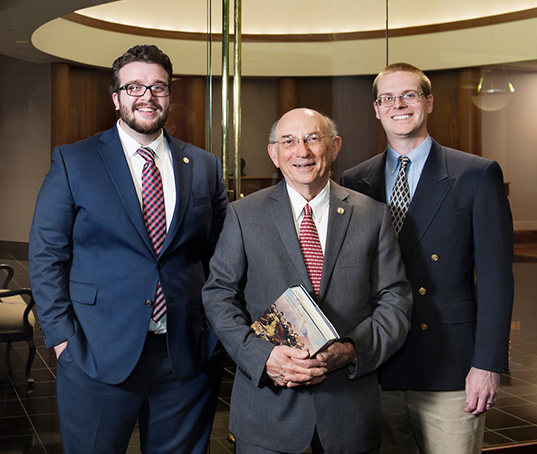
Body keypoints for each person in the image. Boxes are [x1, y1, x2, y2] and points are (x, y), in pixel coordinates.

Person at [28, 44, 228, 454]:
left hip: (185, 358)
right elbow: (47, 255)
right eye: (134, 87)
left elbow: (221, 256)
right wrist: (63, 338)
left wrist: (214, 336)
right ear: (116, 97)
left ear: (169, 96)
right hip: (97, 353)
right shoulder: (74, 161)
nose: (147, 97)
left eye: (158, 87)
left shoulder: (205, 165)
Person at [202, 108, 412, 454]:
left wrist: (352, 350)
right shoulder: (243, 215)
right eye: (289, 141)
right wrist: (262, 357)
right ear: (274, 153)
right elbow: (218, 296)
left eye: (314, 138)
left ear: (334, 147)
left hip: (349, 410)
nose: (302, 151)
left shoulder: (372, 215)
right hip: (268, 410)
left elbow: (396, 300)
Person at [340, 63, 515, 454]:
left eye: (410, 95)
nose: (398, 104)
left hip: (451, 368)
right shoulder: (355, 181)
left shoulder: (476, 174)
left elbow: (496, 279)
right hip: (379, 366)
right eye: (388, 98)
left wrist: (487, 365)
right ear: (376, 109)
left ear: (429, 102)